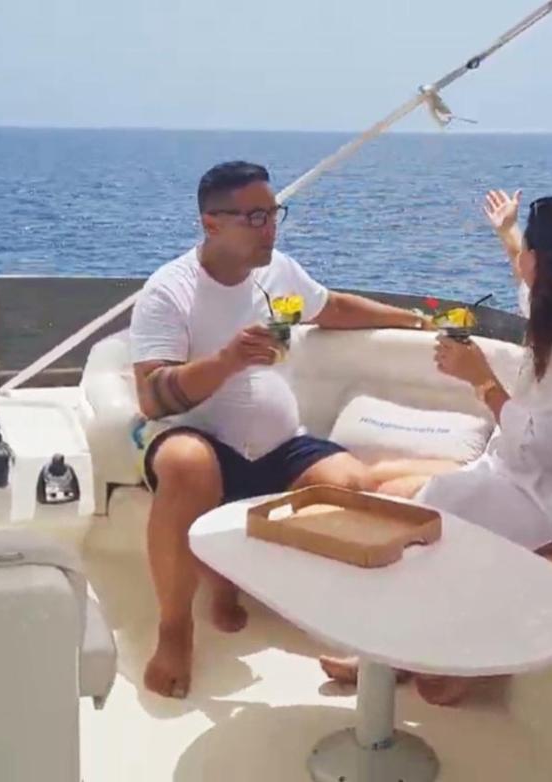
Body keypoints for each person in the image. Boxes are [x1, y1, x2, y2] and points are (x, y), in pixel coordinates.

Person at [322, 189, 552, 705]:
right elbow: (522, 274)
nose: (522, 259)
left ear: (549, 263)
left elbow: (537, 449)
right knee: (395, 496)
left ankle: (403, 652)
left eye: (529, 250)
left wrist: (482, 379)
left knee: (419, 516)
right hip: (519, 481)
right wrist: (508, 230)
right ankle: (400, 645)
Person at [130, 161, 432, 698]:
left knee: (353, 485)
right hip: (200, 440)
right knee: (186, 465)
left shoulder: (281, 273)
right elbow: (152, 396)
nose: (270, 227)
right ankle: (175, 629)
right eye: (255, 217)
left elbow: (332, 308)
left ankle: (325, 613)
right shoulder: (168, 291)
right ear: (211, 223)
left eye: (273, 213)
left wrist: (412, 319)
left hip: (279, 445)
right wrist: (226, 361)